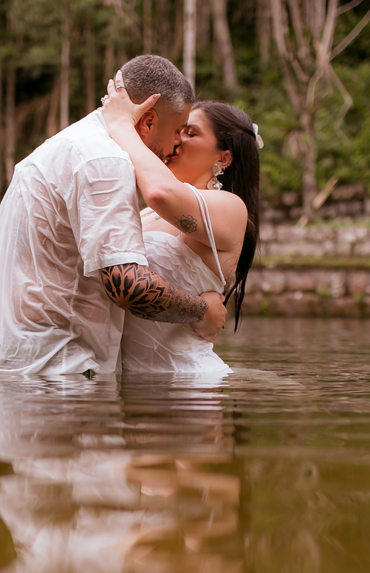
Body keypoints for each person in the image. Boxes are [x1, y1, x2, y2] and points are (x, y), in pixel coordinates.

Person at [0, 55, 227, 376]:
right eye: (176, 131)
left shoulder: (55, 148)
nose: (174, 146)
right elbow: (128, 287)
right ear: (148, 121)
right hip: (54, 369)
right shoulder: (105, 161)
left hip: (1, 361)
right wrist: (202, 310)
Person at [101, 72, 260, 373]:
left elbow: (160, 192)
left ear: (224, 159)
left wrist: (121, 125)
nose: (176, 140)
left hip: (191, 388)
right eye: (178, 130)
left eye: (191, 133)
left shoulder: (231, 208)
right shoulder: (146, 214)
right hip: (126, 386)